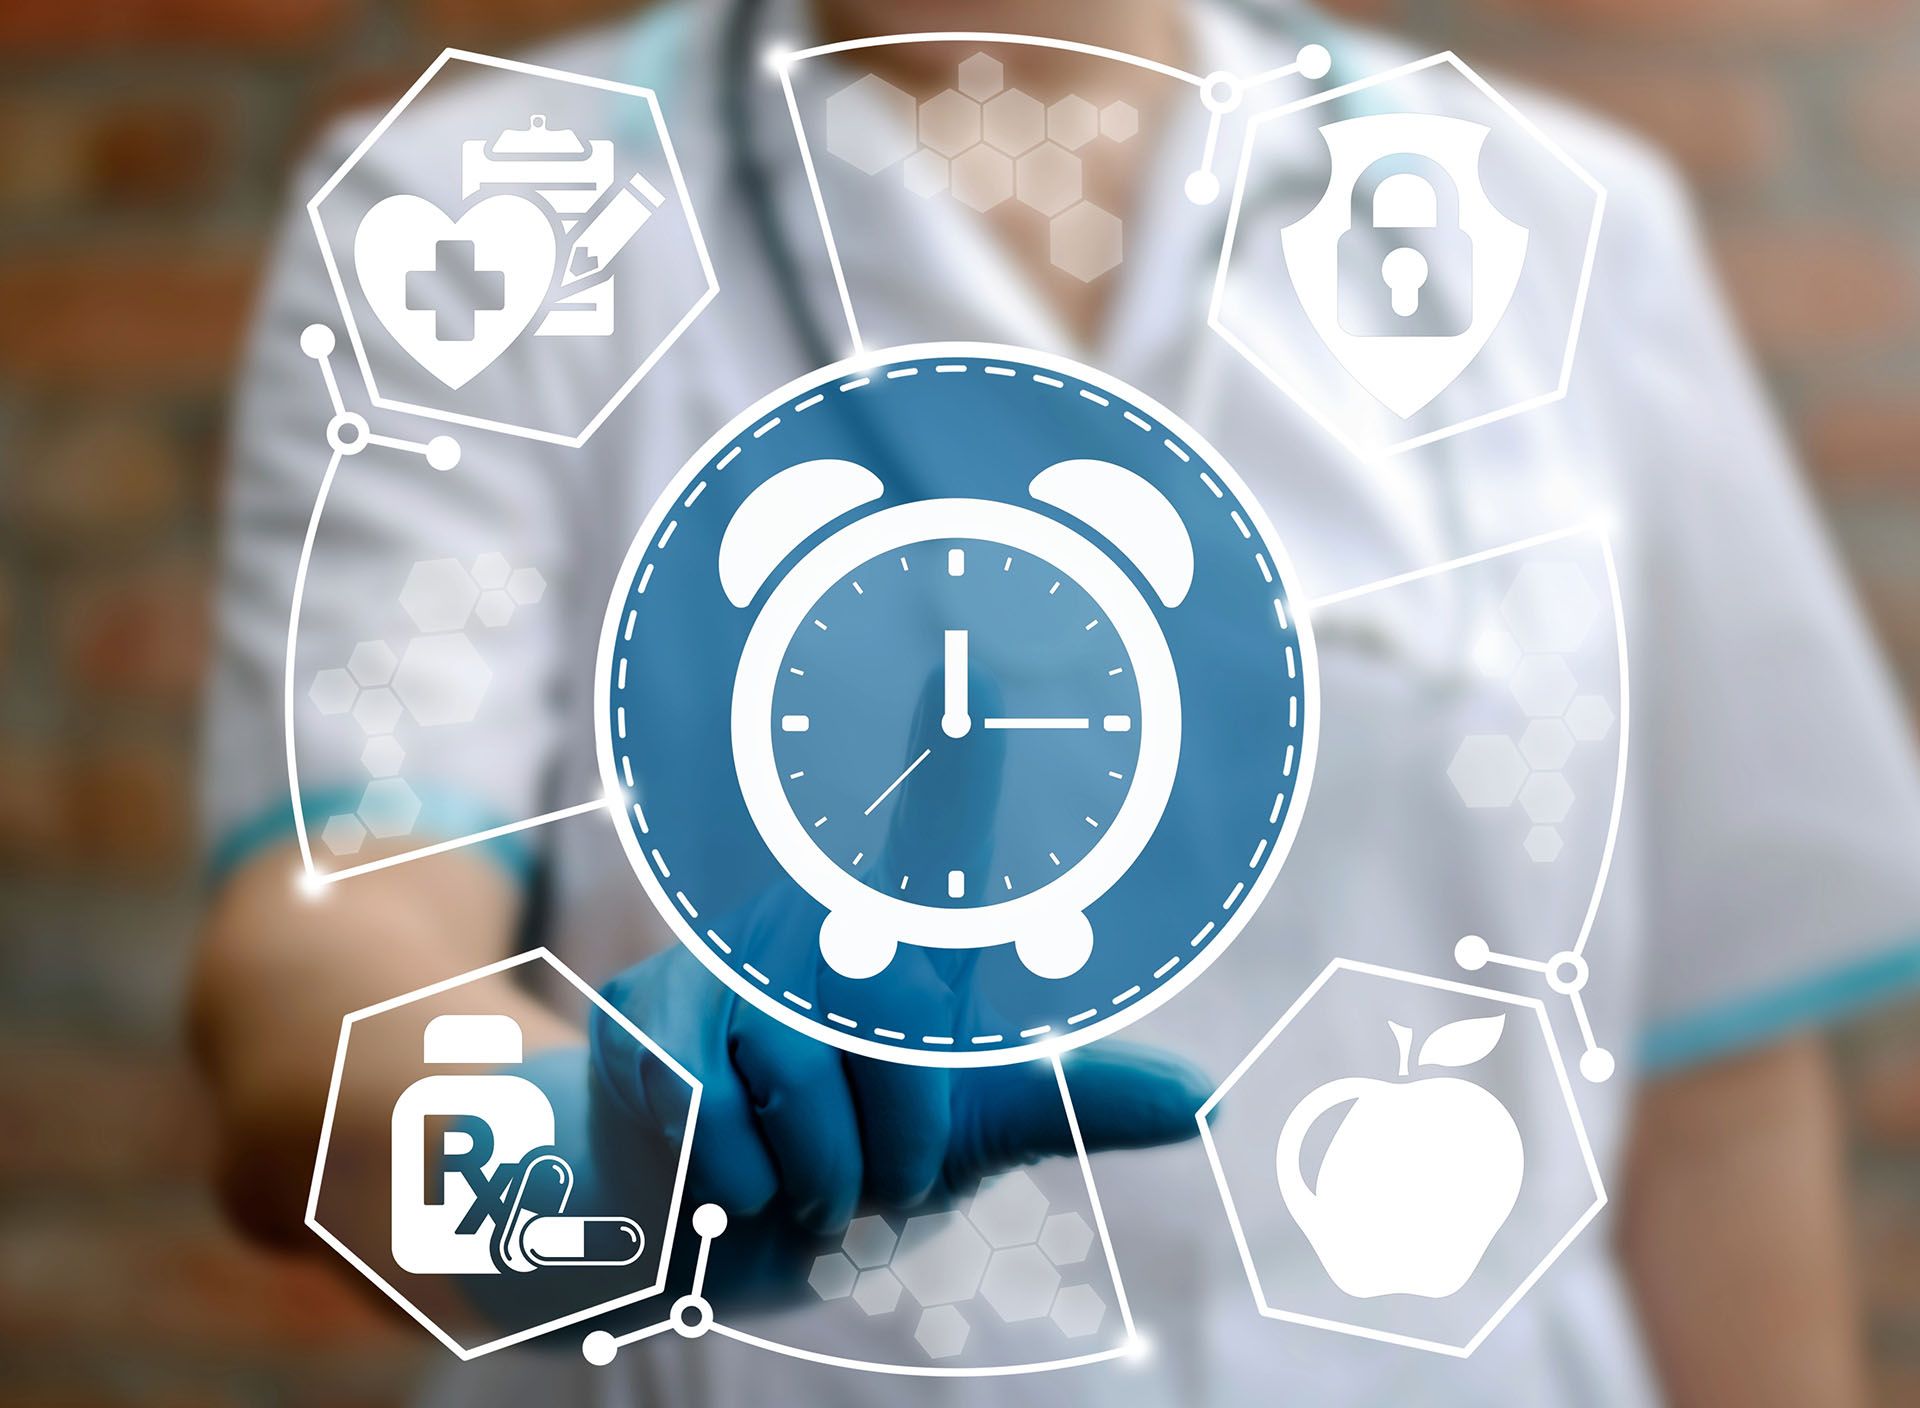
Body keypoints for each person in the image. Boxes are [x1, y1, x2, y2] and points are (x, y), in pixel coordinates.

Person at [191, 1, 1920, 1404]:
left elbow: (1710, 1094)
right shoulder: (481, 218)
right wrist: (590, 1169)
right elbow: (327, 968)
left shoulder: (1538, 215)